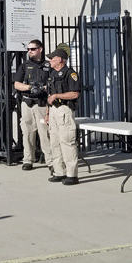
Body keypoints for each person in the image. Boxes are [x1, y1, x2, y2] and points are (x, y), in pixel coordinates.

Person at [13, 39, 53, 173]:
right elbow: (17, 84)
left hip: (42, 103)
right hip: (28, 103)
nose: (30, 51)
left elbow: (53, 83)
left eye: (33, 49)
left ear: (40, 49)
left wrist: (43, 88)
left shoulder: (48, 65)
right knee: (27, 133)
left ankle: (50, 161)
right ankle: (28, 160)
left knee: (45, 133)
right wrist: (30, 87)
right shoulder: (25, 65)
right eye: (28, 49)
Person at [45, 48, 81, 186]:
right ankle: (59, 172)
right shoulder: (52, 73)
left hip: (64, 110)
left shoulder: (70, 74)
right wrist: (47, 114)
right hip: (53, 110)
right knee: (54, 142)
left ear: (60, 59)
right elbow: (49, 95)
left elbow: (75, 94)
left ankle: (72, 175)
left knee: (67, 141)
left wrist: (57, 96)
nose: (50, 60)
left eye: (52, 58)